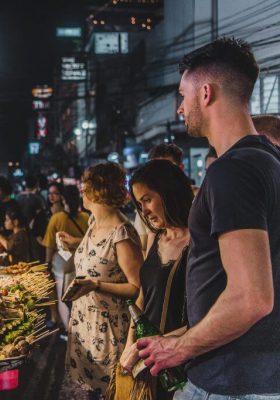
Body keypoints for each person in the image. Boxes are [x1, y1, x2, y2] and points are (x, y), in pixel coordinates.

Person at [136, 38, 280, 399]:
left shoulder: (232, 172)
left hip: (233, 381)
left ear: (205, 93)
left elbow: (251, 297)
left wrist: (181, 347)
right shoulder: (266, 162)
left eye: (183, 95)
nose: (180, 108)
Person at [59, 162, 143, 399]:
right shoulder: (93, 223)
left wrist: (96, 286)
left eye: (85, 186)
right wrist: (75, 243)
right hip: (83, 326)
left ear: (99, 190)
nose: (81, 191)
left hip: (107, 334)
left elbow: (137, 287)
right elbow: (101, 255)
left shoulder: (122, 233)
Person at [118, 160, 193, 400]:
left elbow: (202, 316)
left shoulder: (199, 242)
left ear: (169, 193)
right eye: (139, 204)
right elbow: (142, 295)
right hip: (147, 359)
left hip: (179, 361)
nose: (144, 211)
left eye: (148, 199)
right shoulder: (155, 238)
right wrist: (130, 344)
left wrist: (152, 346)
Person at [42, 185, 89, 332]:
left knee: (65, 300)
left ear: (63, 199)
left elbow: (49, 245)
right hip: (82, 265)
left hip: (62, 267)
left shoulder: (56, 219)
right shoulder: (86, 218)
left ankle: (69, 330)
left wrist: (47, 264)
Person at [135, 143, 185, 256]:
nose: (158, 177)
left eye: (164, 170)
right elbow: (143, 247)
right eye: (153, 171)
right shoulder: (145, 207)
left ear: (180, 168)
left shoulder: (197, 199)